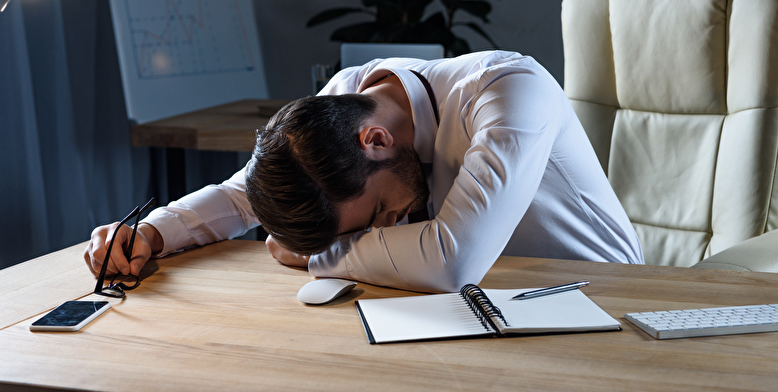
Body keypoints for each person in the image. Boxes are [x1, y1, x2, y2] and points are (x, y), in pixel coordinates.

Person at [85, 50, 644, 293]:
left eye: (375, 214)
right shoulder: (341, 104)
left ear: (376, 140)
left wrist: (315, 255)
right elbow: (242, 198)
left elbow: (451, 261)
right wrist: (152, 233)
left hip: (603, 294)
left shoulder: (507, 91)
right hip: (482, 301)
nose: (384, 230)